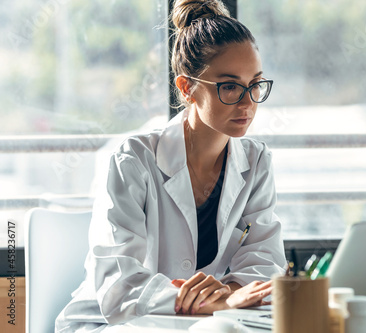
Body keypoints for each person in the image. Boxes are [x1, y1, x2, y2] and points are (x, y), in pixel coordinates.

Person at [55, 0, 286, 331]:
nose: (248, 102)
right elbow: (119, 286)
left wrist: (230, 294)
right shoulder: (132, 160)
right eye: (230, 86)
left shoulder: (256, 161)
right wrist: (213, 302)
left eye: (255, 84)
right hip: (112, 323)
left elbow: (265, 261)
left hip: (202, 321)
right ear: (186, 88)